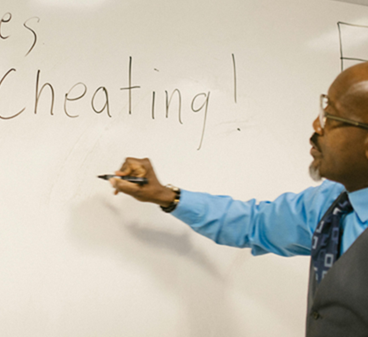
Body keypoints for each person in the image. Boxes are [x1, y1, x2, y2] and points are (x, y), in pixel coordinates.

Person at [109, 62, 368, 337]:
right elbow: (254, 223)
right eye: (322, 110)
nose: (317, 125)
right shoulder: (331, 204)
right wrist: (165, 195)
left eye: (331, 117)